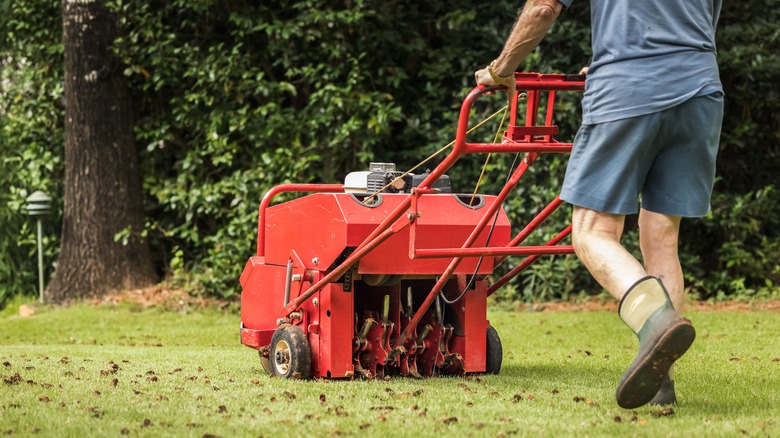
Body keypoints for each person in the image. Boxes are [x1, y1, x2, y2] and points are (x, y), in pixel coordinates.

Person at [475, 0, 724, 409]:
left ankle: (656, 321)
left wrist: (501, 70)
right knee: (661, 237)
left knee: (592, 231)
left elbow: (541, 9)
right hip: (701, 91)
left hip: (629, 88)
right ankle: (662, 383)